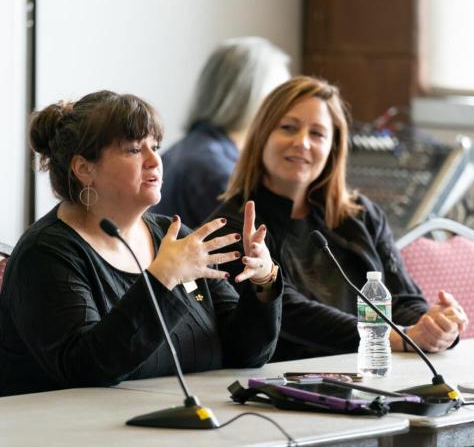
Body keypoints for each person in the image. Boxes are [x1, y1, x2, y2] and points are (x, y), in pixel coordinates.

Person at [0, 91, 282, 397]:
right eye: (134, 149)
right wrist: (163, 278)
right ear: (84, 168)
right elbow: (85, 369)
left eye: (155, 147)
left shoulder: (173, 236)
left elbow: (245, 354)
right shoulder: (45, 254)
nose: (154, 161)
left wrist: (263, 281)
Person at [209, 76, 468, 361]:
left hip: (374, 368)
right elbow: (289, 311)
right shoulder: (232, 226)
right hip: (290, 376)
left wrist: (433, 325)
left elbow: (401, 299)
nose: (302, 143)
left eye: (317, 134)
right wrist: (392, 337)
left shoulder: (361, 214)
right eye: (288, 128)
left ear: (333, 148)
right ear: (261, 137)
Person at [151, 36, 290, 228]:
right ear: (251, 97)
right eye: (280, 97)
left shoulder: (189, 149)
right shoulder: (215, 171)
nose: (286, 109)